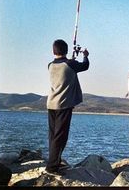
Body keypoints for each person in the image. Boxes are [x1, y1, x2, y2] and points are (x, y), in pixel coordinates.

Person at [45, 39, 89, 175]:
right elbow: (84, 66)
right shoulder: (70, 63)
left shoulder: (50, 65)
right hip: (63, 104)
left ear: (53, 51)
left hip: (51, 103)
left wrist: (71, 57)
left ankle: (54, 161)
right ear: (66, 50)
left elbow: (65, 65)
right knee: (60, 136)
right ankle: (52, 167)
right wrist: (85, 55)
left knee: (53, 135)